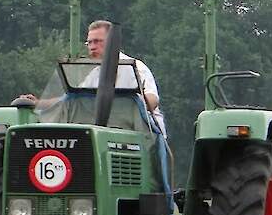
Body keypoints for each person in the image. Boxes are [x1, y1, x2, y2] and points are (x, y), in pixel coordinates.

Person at [19, 20, 167, 137]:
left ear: (112, 43)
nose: (92, 47)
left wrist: (126, 103)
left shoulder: (136, 68)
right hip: (102, 133)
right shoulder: (94, 74)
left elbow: (152, 101)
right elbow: (71, 101)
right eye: (89, 42)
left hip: (141, 135)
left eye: (97, 41)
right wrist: (38, 103)